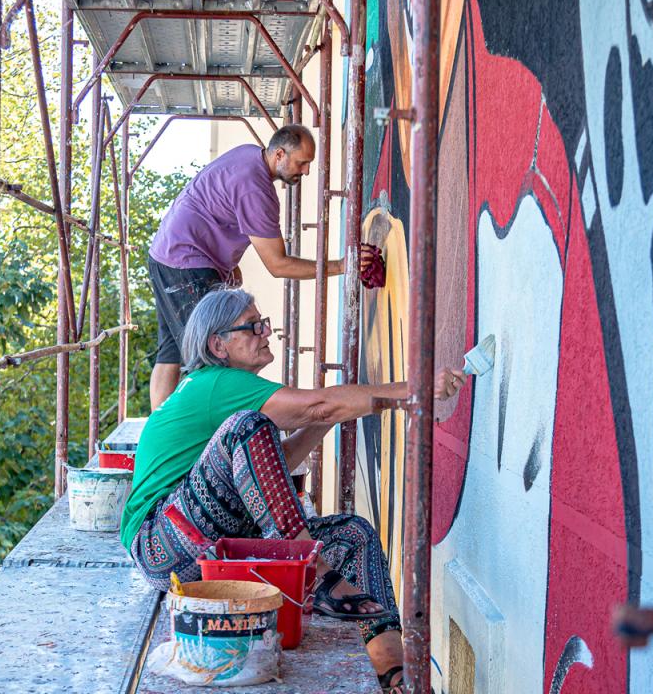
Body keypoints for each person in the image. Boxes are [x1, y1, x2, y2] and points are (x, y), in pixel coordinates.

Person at [120, 288, 465, 693]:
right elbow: (315, 405)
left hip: (201, 543)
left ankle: (394, 672)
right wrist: (414, 389)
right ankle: (311, 570)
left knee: (353, 535)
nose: (267, 333)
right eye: (253, 326)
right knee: (247, 425)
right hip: (163, 543)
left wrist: (331, 416)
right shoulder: (215, 383)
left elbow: (274, 458)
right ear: (219, 345)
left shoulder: (220, 387)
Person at [146, 124, 379, 408]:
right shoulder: (256, 188)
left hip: (166, 255)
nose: (305, 171)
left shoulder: (248, 156)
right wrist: (342, 265)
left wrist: (224, 266)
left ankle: (159, 431)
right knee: (212, 354)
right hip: (187, 263)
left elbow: (216, 211)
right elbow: (278, 265)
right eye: (302, 162)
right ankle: (199, 433)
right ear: (279, 154)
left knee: (171, 351)